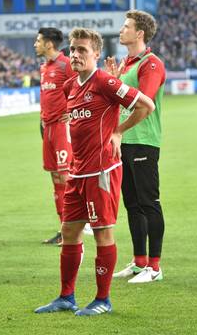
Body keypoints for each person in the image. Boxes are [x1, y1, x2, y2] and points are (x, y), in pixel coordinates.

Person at [34, 28, 155, 316]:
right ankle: (66, 296)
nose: (75, 55)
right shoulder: (70, 86)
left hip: (102, 170)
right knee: (70, 230)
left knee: (102, 233)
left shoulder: (104, 81)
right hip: (77, 171)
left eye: (82, 51)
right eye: (73, 49)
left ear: (96, 55)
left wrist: (119, 132)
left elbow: (145, 105)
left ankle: (103, 299)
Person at [105, 10, 166, 284]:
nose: (121, 30)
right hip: (124, 141)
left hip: (142, 141)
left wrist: (118, 130)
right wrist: (114, 81)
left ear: (139, 33)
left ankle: (155, 267)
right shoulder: (127, 63)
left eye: (126, 26)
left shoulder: (150, 64)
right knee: (131, 204)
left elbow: (144, 102)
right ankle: (139, 262)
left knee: (148, 203)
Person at [34, 27, 76, 245]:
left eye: (38, 40)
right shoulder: (44, 68)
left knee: (65, 176)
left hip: (61, 128)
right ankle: (63, 229)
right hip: (47, 127)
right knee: (55, 177)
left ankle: (73, 228)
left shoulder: (65, 64)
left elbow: (80, 86)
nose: (36, 44)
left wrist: (72, 111)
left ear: (49, 44)